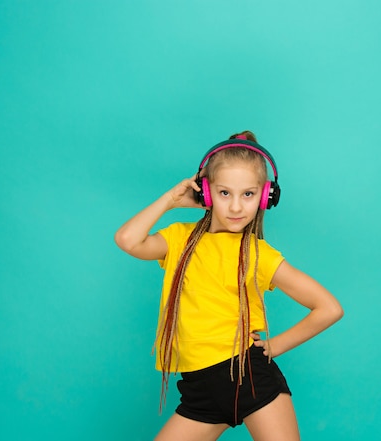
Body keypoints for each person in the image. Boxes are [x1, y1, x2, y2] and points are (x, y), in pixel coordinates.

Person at [115, 130, 343, 441]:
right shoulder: (179, 239)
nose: (236, 207)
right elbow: (127, 240)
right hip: (200, 390)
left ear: (265, 197)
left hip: (249, 377)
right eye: (224, 193)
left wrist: (275, 347)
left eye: (248, 194)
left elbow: (329, 308)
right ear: (205, 193)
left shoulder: (258, 254)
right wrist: (170, 201)